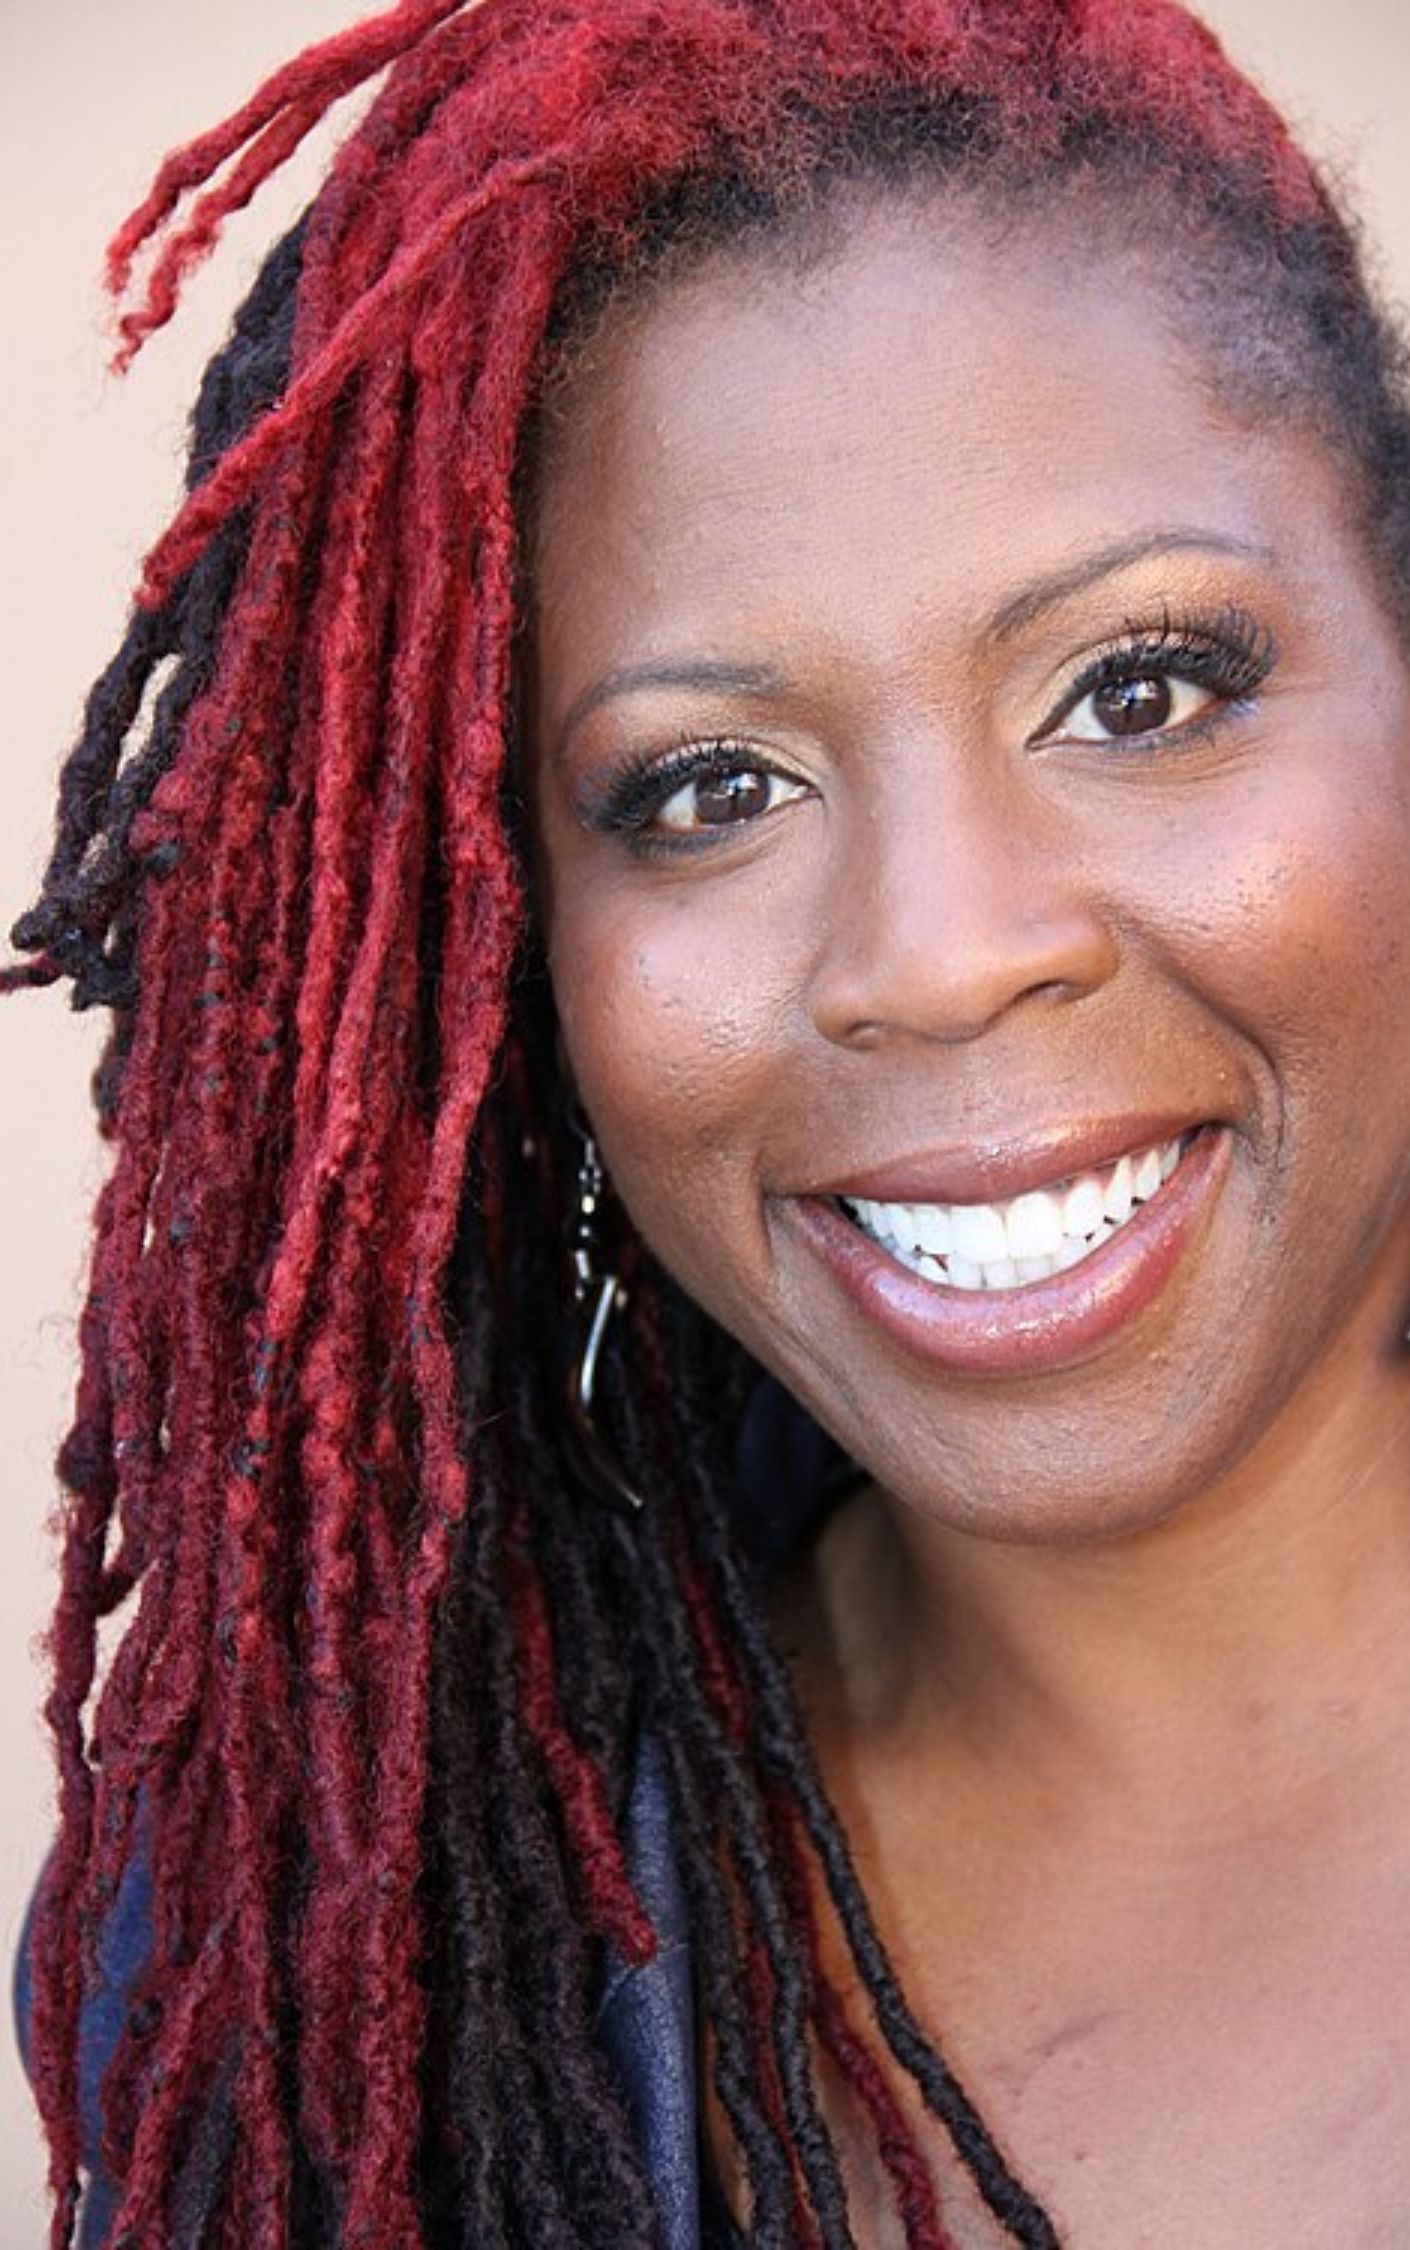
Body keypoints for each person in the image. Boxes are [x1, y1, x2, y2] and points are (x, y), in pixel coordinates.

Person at [10, 0, 1410, 2241]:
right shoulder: (337, 1997)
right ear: (513, 950)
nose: (937, 955)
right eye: (708, 788)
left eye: (1138, 687)